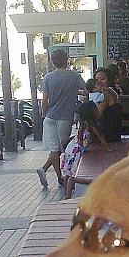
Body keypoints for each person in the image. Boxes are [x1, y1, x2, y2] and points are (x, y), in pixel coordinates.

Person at [37, 48, 85, 188]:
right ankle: (59, 175)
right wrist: (74, 92)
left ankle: (53, 174)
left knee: (55, 149)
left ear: (52, 62)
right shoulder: (74, 76)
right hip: (65, 117)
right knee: (62, 148)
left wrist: (44, 114)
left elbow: (44, 101)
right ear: (66, 60)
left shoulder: (48, 77)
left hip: (50, 116)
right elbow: (86, 90)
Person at [60, 100, 109, 199]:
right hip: (76, 151)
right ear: (91, 111)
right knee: (73, 176)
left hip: (72, 148)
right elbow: (100, 136)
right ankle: (68, 196)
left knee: (68, 174)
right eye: (96, 108)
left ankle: (65, 194)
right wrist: (107, 147)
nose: (98, 110)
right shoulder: (90, 124)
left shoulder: (83, 123)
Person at [94, 67, 123, 142]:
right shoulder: (113, 90)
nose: (99, 82)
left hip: (106, 132)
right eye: (97, 79)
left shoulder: (106, 94)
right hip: (116, 131)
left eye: (102, 79)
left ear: (109, 80)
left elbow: (98, 115)